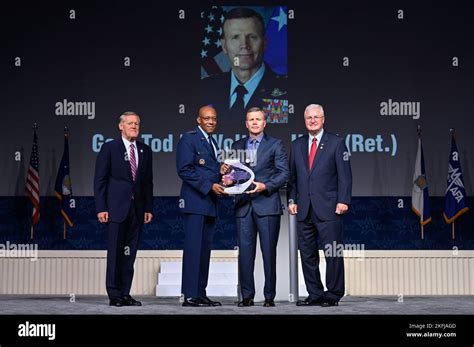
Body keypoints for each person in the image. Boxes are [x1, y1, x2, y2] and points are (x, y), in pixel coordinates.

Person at [287, 104, 352, 307]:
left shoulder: (336, 143)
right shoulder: (296, 145)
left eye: (316, 117)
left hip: (330, 208)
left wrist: (343, 200)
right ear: (304, 120)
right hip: (304, 209)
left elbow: (345, 176)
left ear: (323, 119)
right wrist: (291, 200)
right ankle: (314, 293)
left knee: (332, 253)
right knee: (307, 255)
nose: (312, 120)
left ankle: (333, 294)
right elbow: (293, 178)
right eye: (309, 118)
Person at [94, 111, 153, 307]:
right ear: (121, 126)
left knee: (130, 254)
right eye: (130, 123)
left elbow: (147, 183)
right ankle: (114, 294)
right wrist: (101, 208)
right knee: (116, 253)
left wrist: (148, 208)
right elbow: (100, 180)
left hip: (137, 211)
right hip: (116, 209)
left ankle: (125, 293)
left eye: (137, 123)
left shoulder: (145, 150)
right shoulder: (110, 148)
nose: (134, 126)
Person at [230, 107, 288, 307]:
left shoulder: (275, 144)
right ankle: (247, 296)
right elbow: (233, 175)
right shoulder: (236, 145)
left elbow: (283, 173)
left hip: (267, 205)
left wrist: (265, 186)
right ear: (246, 124)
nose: (254, 123)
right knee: (245, 254)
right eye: (251, 119)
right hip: (243, 207)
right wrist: (227, 178)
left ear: (264, 123)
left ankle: (269, 296)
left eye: (258, 119)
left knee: (268, 252)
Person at [176, 105, 228, 307]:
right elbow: (184, 170)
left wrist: (220, 169)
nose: (211, 121)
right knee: (193, 250)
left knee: (204, 251)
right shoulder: (188, 139)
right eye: (207, 118)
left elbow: (205, 168)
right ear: (198, 120)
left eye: (214, 118)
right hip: (195, 202)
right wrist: (209, 186)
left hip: (209, 203)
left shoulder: (211, 141)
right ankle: (189, 295)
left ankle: (200, 293)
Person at [201, 7, 288, 123]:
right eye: (235, 37)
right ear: (224, 46)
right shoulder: (204, 89)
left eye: (252, 37)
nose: (244, 45)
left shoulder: (286, 90)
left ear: (265, 43)